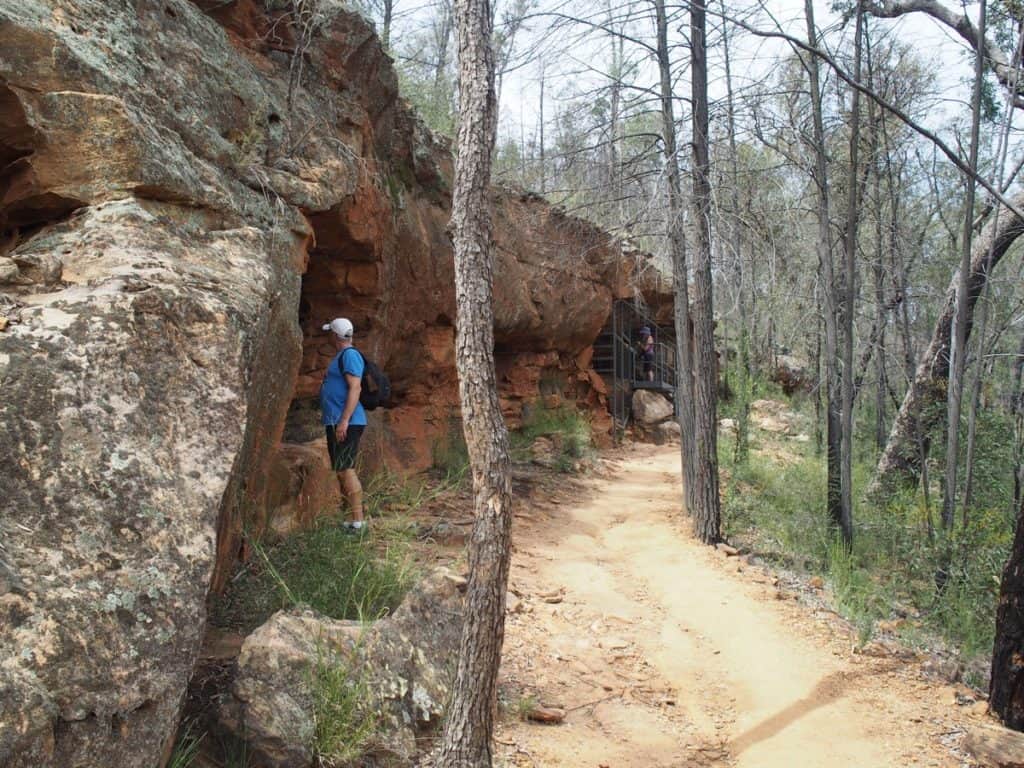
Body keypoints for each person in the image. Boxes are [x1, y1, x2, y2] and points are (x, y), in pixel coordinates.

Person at [320, 317, 368, 533]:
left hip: (347, 421)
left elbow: (355, 388)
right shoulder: (342, 356)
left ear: (335, 336)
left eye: (330, 333)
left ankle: (358, 522)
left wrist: (344, 420)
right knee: (341, 469)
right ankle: (350, 520)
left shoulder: (350, 355)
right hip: (337, 421)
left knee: (347, 469)